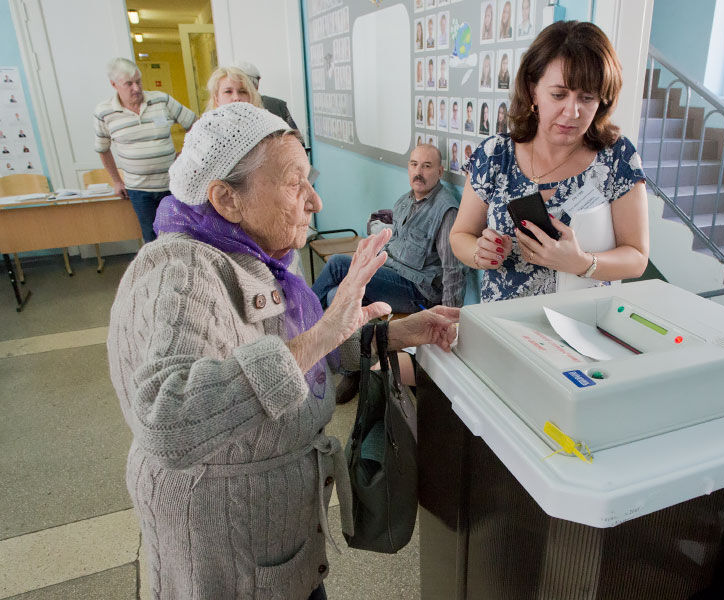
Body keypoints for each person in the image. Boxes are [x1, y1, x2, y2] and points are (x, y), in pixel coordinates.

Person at [107, 103, 459, 600]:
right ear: (227, 198)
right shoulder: (180, 270)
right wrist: (324, 330)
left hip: (274, 538)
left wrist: (397, 334)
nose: (315, 200)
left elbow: (295, 352)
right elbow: (166, 419)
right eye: (296, 184)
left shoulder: (253, 254)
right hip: (227, 552)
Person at [450, 21, 649, 302]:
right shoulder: (495, 154)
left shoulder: (617, 157)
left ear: (602, 101)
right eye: (558, 95)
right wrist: (479, 253)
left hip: (581, 318)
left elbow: (637, 257)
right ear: (533, 90)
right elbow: (460, 234)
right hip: (503, 318)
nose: (572, 112)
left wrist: (582, 263)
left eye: (587, 98)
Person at [312, 143, 466, 314]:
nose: (418, 172)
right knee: (333, 296)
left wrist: (449, 318)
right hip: (391, 274)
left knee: (338, 264)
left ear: (440, 172)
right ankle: (317, 324)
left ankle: (302, 320)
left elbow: (453, 269)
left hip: (417, 291)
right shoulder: (404, 201)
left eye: (427, 166)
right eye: (414, 164)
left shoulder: (446, 211)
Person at [93, 57, 196, 243]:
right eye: (129, 84)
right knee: (152, 238)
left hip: (172, 185)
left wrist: (184, 155)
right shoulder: (104, 112)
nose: (136, 88)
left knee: (181, 235)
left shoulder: (161, 100)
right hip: (139, 190)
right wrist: (116, 181)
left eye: (138, 81)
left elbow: (195, 125)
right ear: (114, 85)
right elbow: (103, 149)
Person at [232, 62, 299, 129]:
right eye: (228, 91)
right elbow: (295, 134)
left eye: (243, 90)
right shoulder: (278, 105)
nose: (236, 97)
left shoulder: (277, 106)